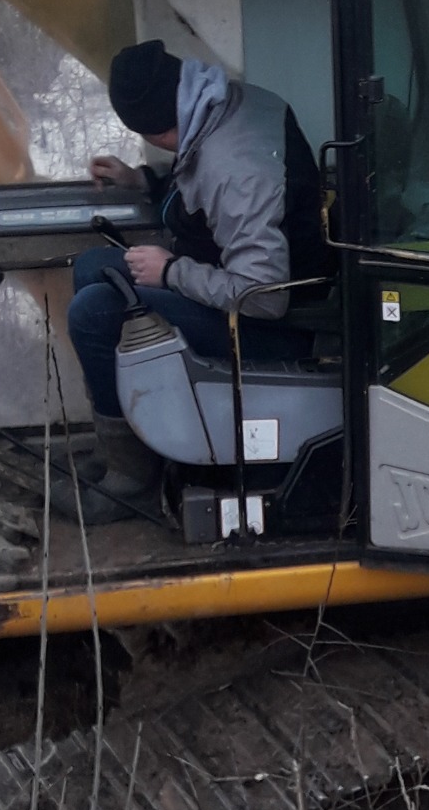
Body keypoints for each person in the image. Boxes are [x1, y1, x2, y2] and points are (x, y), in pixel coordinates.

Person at [66, 38, 330, 508]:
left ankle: (131, 477)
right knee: (93, 268)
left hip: (281, 327)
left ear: (150, 130)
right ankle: (123, 444)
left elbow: (265, 296)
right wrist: (143, 181)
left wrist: (171, 273)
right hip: (234, 287)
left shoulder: (236, 167)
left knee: (95, 311)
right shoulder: (221, 103)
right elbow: (199, 177)